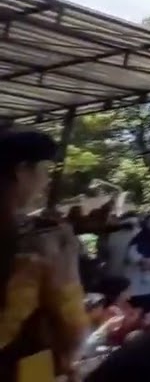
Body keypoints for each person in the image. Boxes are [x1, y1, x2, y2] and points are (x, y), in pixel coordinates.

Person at [0, 128, 90, 382]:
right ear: (22, 171)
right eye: (44, 171)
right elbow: (72, 329)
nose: (47, 180)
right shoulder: (36, 243)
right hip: (25, 367)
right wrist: (68, 263)